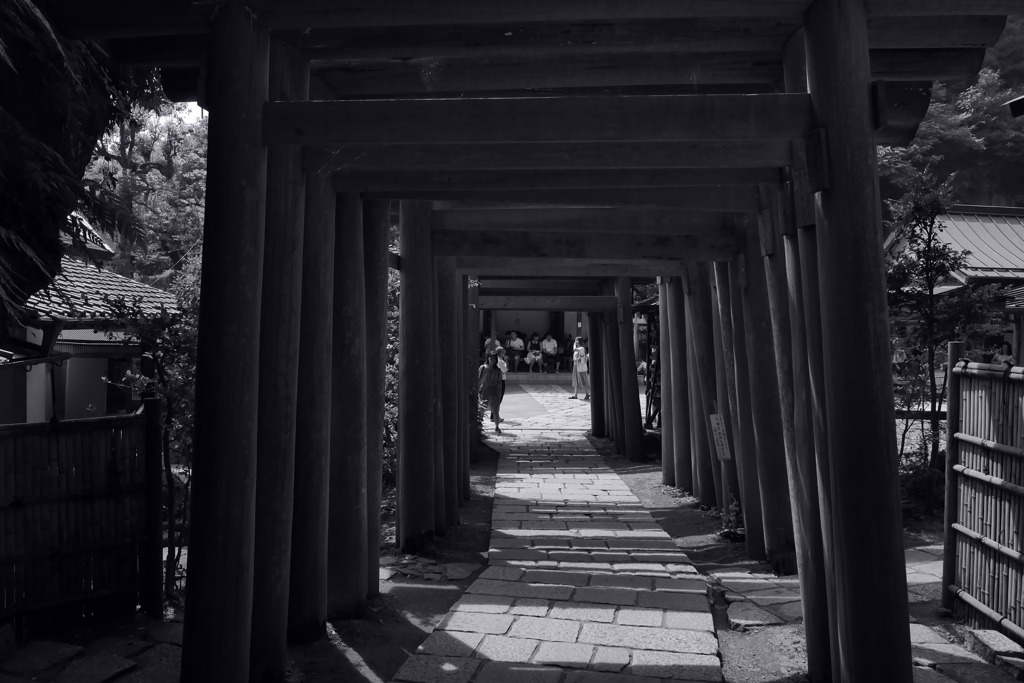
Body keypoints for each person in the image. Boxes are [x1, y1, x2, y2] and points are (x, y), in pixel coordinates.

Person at [478, 352, 504, 433]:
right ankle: (479, 426)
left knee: (495, 410)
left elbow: (499, 382)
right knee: (481, 409)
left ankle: (497, 427)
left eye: (494, 358)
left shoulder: (498, 370)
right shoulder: (482, 368)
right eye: (490, 358)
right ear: (488, 358)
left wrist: (499, 393)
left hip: (494, 391)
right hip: (484, 390)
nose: (492, 360)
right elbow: (479, 380)